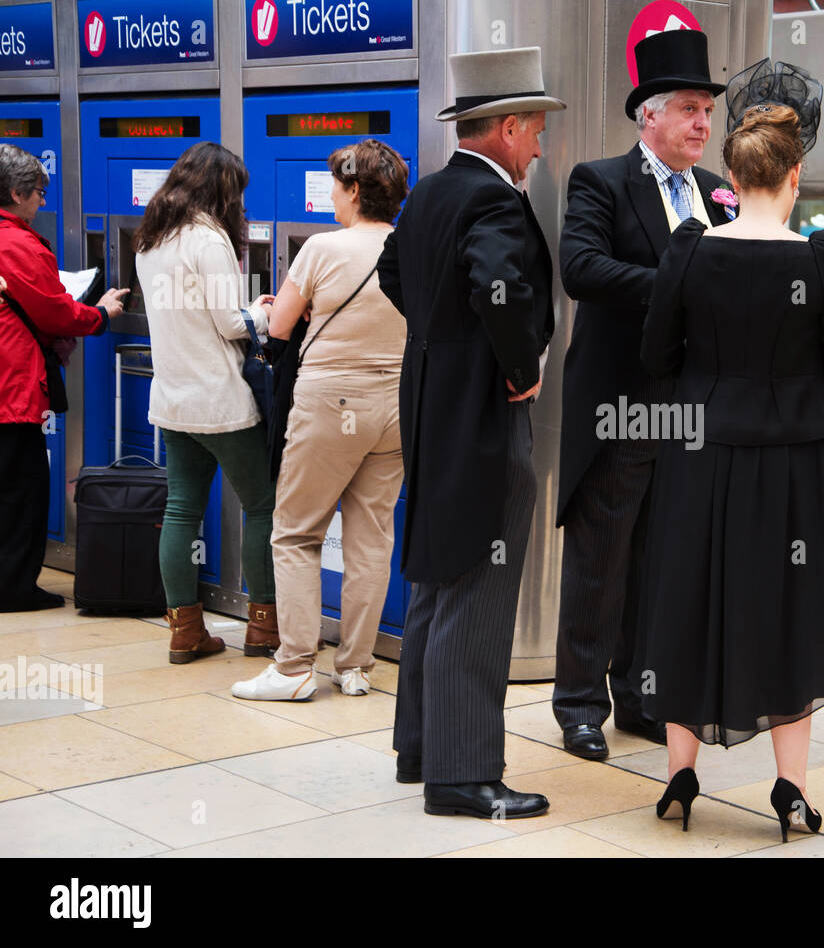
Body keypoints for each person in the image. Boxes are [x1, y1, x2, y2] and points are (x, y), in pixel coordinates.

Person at [639, 88, 824, 841]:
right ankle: (790, 789)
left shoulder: (690, 250)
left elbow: (654, 355)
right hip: (793, 463)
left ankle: (679, 774)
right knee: (791, 609)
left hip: (698, 456)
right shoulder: (822, 258)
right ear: (795, 178)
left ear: (731, 182)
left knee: (690, 594)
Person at [378, 47, 564, 819]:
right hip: (482, 415)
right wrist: (519, 365)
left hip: (428, 407)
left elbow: (392, 273)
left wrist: (437, 339)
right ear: (510, 127)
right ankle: (462, 773)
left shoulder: (427, 194)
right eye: (537, 131)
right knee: (479, 587)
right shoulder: (492, 200)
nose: (542, 146)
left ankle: (421, 744)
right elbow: (500, 286)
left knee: (434, 571)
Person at [552, 28, 733, 761]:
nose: (702, 123)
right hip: (620, 402)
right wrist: (680, 284)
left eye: (707, 111)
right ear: (647, 116)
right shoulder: (600, 180)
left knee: (662, 561)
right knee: (601, 560)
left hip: (689, 410)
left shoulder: (718, 192)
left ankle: (638, 695)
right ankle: (579, 704)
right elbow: (583, 269)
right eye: (688, 108)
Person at [232, 139, 409, 702]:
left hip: (333, 404)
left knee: (296, 532)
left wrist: (284, 307)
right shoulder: (414, 246)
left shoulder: (323, 248)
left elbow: (278, 328)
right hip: (397, 407)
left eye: (337, 186)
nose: (332, 195)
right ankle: (356, 666)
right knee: (371, 539)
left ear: (355, 190)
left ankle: (294, 668)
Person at [134, 141, 278, 664]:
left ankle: (184, 631)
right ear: (221, 189)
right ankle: (263, 627)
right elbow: (228, 324)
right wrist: (265, 312)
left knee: (181, 509)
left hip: (172, 399)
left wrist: (242, 310)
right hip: (219, 402)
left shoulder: (151, 239)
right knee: (263, 505)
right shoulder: (208, 239)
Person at [0, 145, 127, 612]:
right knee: (21, 492)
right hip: (10, 390)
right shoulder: (16, 243)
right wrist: (99, 314)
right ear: (16, 193)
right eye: (38, 193)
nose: (42, 202)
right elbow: (54, 309)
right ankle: (13, 588)